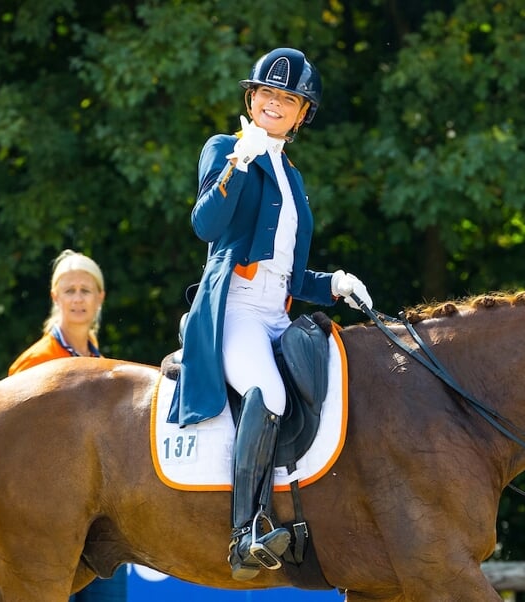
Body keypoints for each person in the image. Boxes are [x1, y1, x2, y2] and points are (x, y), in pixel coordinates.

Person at [167, 47, 372, 580]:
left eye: (288, 98)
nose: (275, 104)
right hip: (234, 309)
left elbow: (289, 274)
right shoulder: (224, 150)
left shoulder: (293, 178)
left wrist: (334, 284)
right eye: (266, 94)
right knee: (271, 392)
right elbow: (206, 227)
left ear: (304, 113)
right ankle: (246, 532)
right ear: (251, 99)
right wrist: (239, 161)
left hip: (277, 314)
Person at [9, 249, 127, 601]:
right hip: (47, 526)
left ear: (100, 297)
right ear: (54, 296)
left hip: (102, 529)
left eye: (85, 290)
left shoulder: (104, 365)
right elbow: (12, 453)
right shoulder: (35, 363)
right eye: (70, 290)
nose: (78, 298)